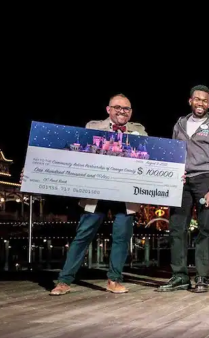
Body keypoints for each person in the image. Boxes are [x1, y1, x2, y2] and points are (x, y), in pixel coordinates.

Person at [46, 94, 147, 295]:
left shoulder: (139, 131)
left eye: (126, 108)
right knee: (83, 236)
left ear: (131, 113)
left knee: (121, 238)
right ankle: (64, 281)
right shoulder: (92, 128)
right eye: (117, 107)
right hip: (97, 193)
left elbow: (149, 159)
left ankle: (114, 280)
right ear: (108, 109)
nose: (122, 111)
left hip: (124, 193)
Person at [157, 85, 209, 293]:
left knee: (205, 230)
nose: (201, 103)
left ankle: (201, 276)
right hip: (182, 182)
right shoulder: (180, 124)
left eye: (205, 101)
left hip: (205, 179)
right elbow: (173, 152)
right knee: (177, 229)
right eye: (197, 99)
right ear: (190, 101)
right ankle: (179, 276)